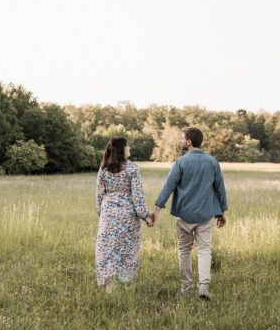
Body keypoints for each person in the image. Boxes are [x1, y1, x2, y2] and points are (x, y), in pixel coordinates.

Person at [147, 127, 227, 300]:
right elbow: (220, 188)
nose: (180, 141)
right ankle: (204, 287)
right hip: (205, 216)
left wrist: (157, 209)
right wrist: (222, 212)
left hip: (183, 216)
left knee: (184, 251)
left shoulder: (180, 162)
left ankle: (186, 289)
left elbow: (168, 187)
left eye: (182, 138)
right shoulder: (212, 162)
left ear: (189, 142)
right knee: (205, 250)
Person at [95, 137, 152, 292]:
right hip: (128, 216)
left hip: (108, 214)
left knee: (108, 250)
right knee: (128, 249)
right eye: (128, 146)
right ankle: (128, 287)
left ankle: (109, 288)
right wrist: (146, 216)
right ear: (122, 149)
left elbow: (99, 195)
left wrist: (102, 213)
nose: (130, 149)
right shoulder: (133, 169)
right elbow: (138, 196)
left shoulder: (103, 169)